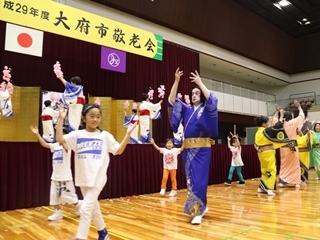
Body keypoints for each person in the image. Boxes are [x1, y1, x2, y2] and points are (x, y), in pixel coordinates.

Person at [56, 103, 137, 240]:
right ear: (83, 118)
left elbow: (118, 150)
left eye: (98, 117)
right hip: (83, 177)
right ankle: (103, 232)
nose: (95, 119)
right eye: (92, 116)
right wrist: (60, 119)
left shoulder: (105, 136)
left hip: (98, 177)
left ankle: (80, 237)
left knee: (86, 208)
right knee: (93, 208)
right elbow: (60, 139)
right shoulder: (77, 134)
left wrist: (128, 135)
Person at [168, 68, 218, 225]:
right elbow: (171, 101)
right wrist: (176, 81)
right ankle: (201, 207)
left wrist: (200, 83)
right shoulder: (187, 109)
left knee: (200, 181)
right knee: (191, 181)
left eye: (197, 93)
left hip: (202, 150)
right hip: (188, 150)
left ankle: (198, 212)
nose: (194, 95)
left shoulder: (205, 108)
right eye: (192, 93)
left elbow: (213, 100)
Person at [29, 125, 81, 220]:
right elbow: (44, 144)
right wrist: (37, 134)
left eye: (63, 134)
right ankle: (57, 212)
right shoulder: (55, 146)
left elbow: (61, 139)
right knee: (54, 196)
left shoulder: (67, 146)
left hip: (65, 176)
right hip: (55, 176)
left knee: (69, 197)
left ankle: (79, 205)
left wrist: (59, 129)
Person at [254, 110, 293, 196]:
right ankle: (269, 189)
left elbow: (273, 128)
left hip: (261, 153)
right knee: (272, 170)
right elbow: (277, 126)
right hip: (268, 153)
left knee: (265, 170)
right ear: (264, 124)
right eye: (267, 122)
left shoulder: (258, 132)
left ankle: (262, 187)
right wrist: (281, 116)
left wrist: (275, 114)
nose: (268, 124)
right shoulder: (265, 131)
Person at [278, 100, 305, 188]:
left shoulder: (280, 124)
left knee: (284, 163)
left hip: (283, 146)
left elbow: (274, 120)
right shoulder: (293, 122)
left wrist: (278, 112)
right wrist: (299, 107)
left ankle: (283, 180)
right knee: (295, 163)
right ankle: (296, 181)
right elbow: (301, 116)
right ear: (291, 117)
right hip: (292, 144)